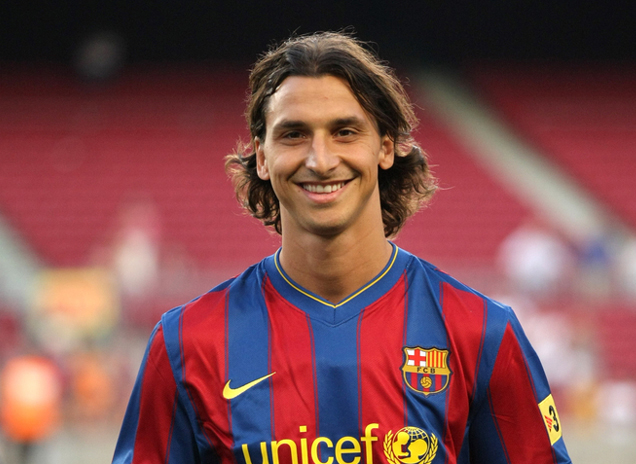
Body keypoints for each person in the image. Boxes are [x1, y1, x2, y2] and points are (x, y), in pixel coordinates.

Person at [112, 31, 571, 464]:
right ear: (263, 156)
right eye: (294, 134)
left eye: (345, 132)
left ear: (385, 148)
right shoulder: (187, 341)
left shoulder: (480, 332)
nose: (321, 160)